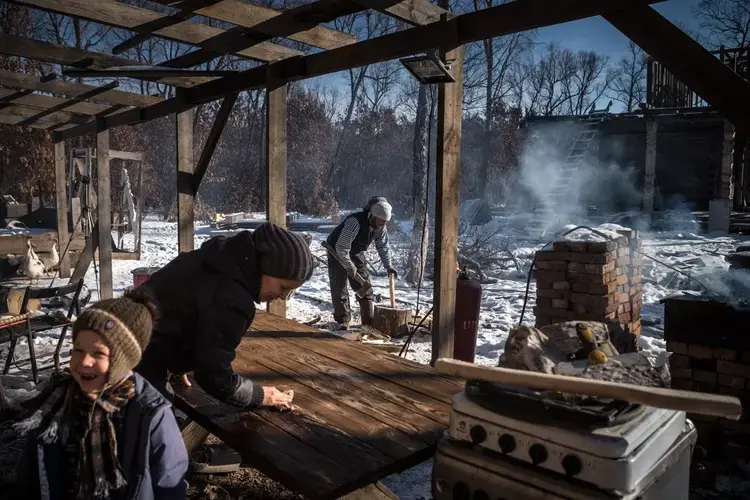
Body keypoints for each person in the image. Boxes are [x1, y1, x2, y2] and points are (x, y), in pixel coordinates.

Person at [14, 290, 189, 499]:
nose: (84, 362)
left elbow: (169, 484)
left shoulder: (150, 414)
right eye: (78, 350)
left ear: (123, 360)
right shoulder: (56, 402)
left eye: (98, 353)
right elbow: (31, 472)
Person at [136, 222, 313, 411]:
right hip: (138, 364)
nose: (283, 297)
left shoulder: (215, 258)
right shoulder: (233, 299)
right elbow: (216, 377)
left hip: (125, 337)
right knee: (155, 430)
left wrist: (177, 360)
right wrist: (261, 396)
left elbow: (176, 307)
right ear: (267, 267)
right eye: (284, 287)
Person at [324, 196, 397, 330]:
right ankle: (343, 321)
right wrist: (349, 267)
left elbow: (383, 246)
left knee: (365, 287)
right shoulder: (355, 222)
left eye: (384, 222)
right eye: (380, 220)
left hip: (356, 252)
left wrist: (389, 266)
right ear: (372, 215)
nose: (382, 223)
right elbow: (342, 248)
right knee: (339, 287)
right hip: (336, 250)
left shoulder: (381, 227)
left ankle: (368, 323)